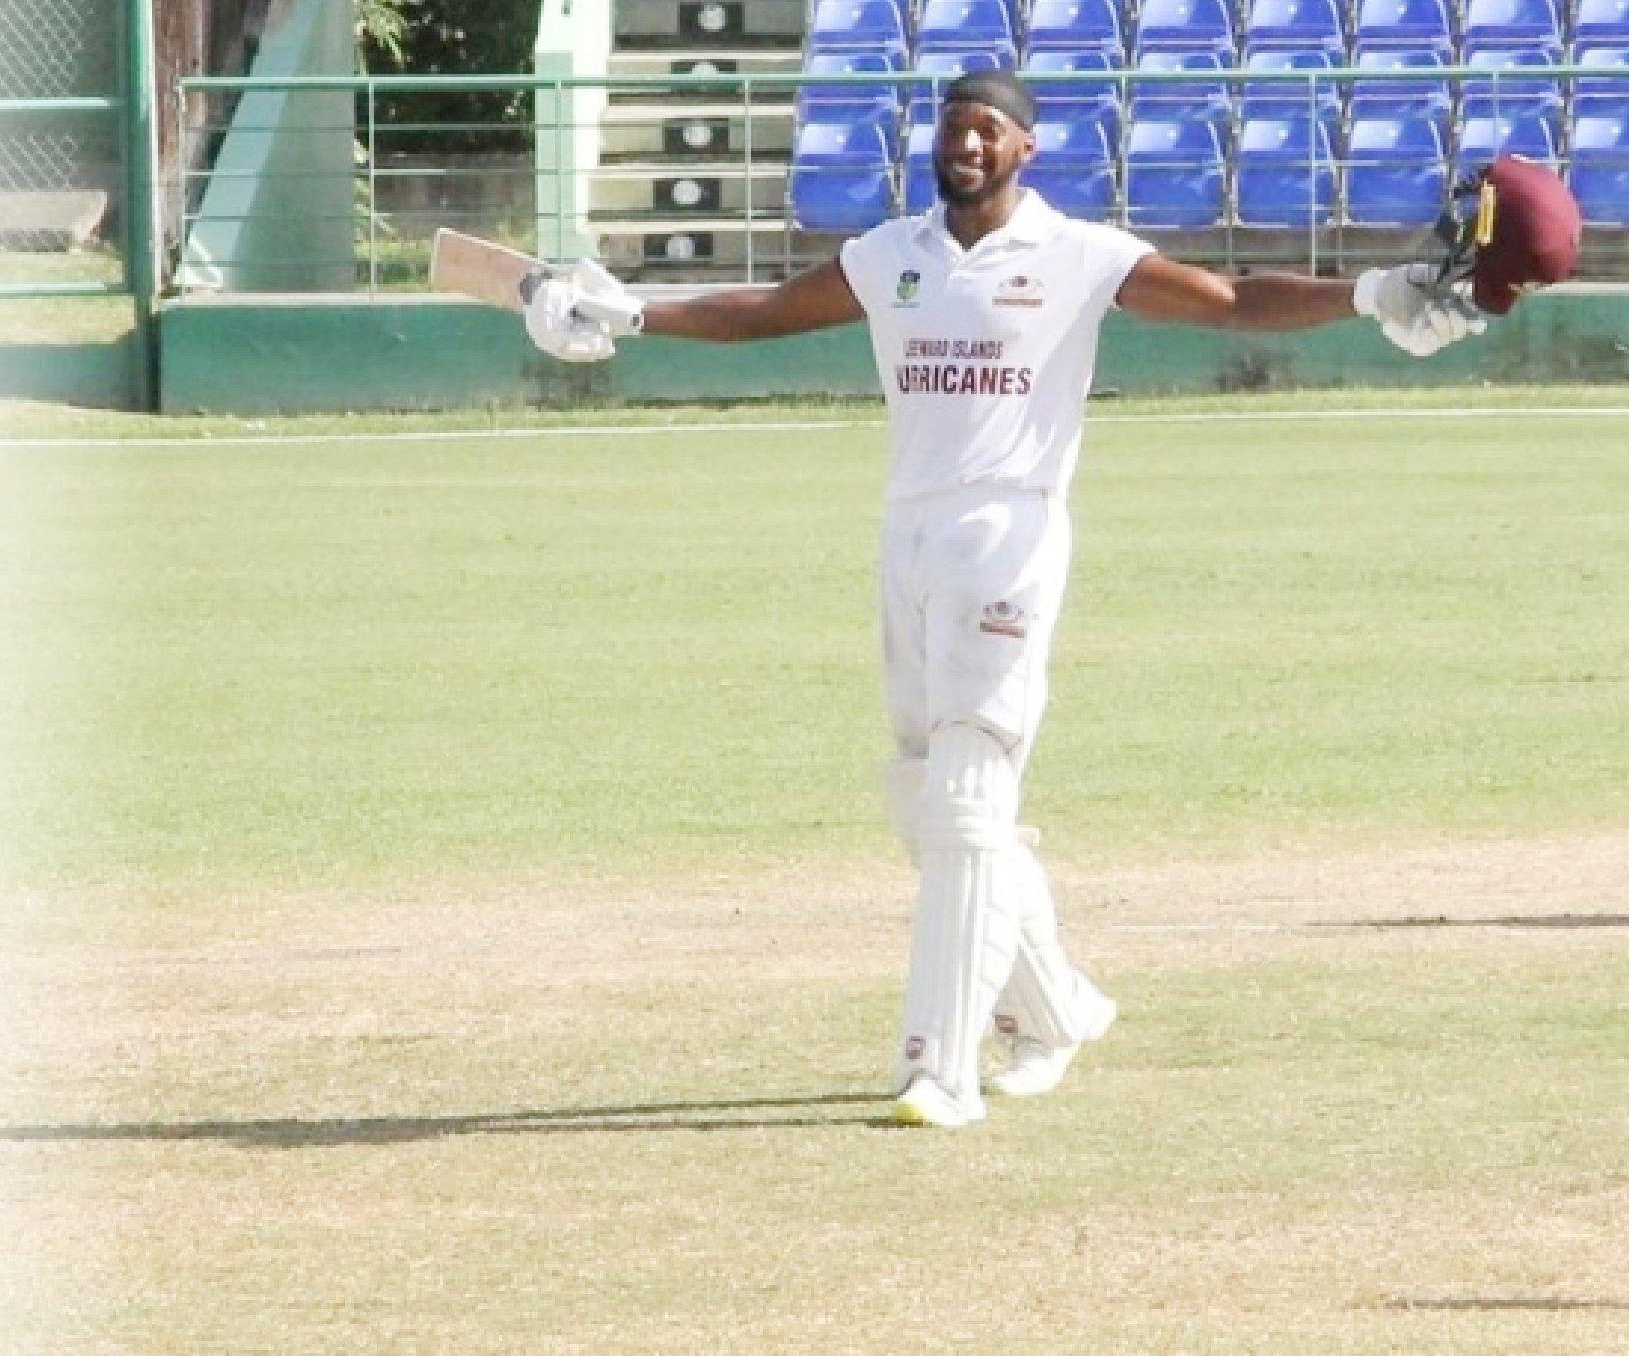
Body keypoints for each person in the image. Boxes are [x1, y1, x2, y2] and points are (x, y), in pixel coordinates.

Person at [523, 71, 1488, 1128]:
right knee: (924, 796)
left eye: (989, 131)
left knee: (969, 795)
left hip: (1010, 532)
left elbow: (1230, 299)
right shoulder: (892, 254)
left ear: (1028, 147)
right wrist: (632, 312)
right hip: (910, 535)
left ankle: (938, 1068)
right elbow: (764, 311)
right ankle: (1054, 1008)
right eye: (954, 129)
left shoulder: (1077, 253)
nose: (968, 145)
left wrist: (1369, 292)